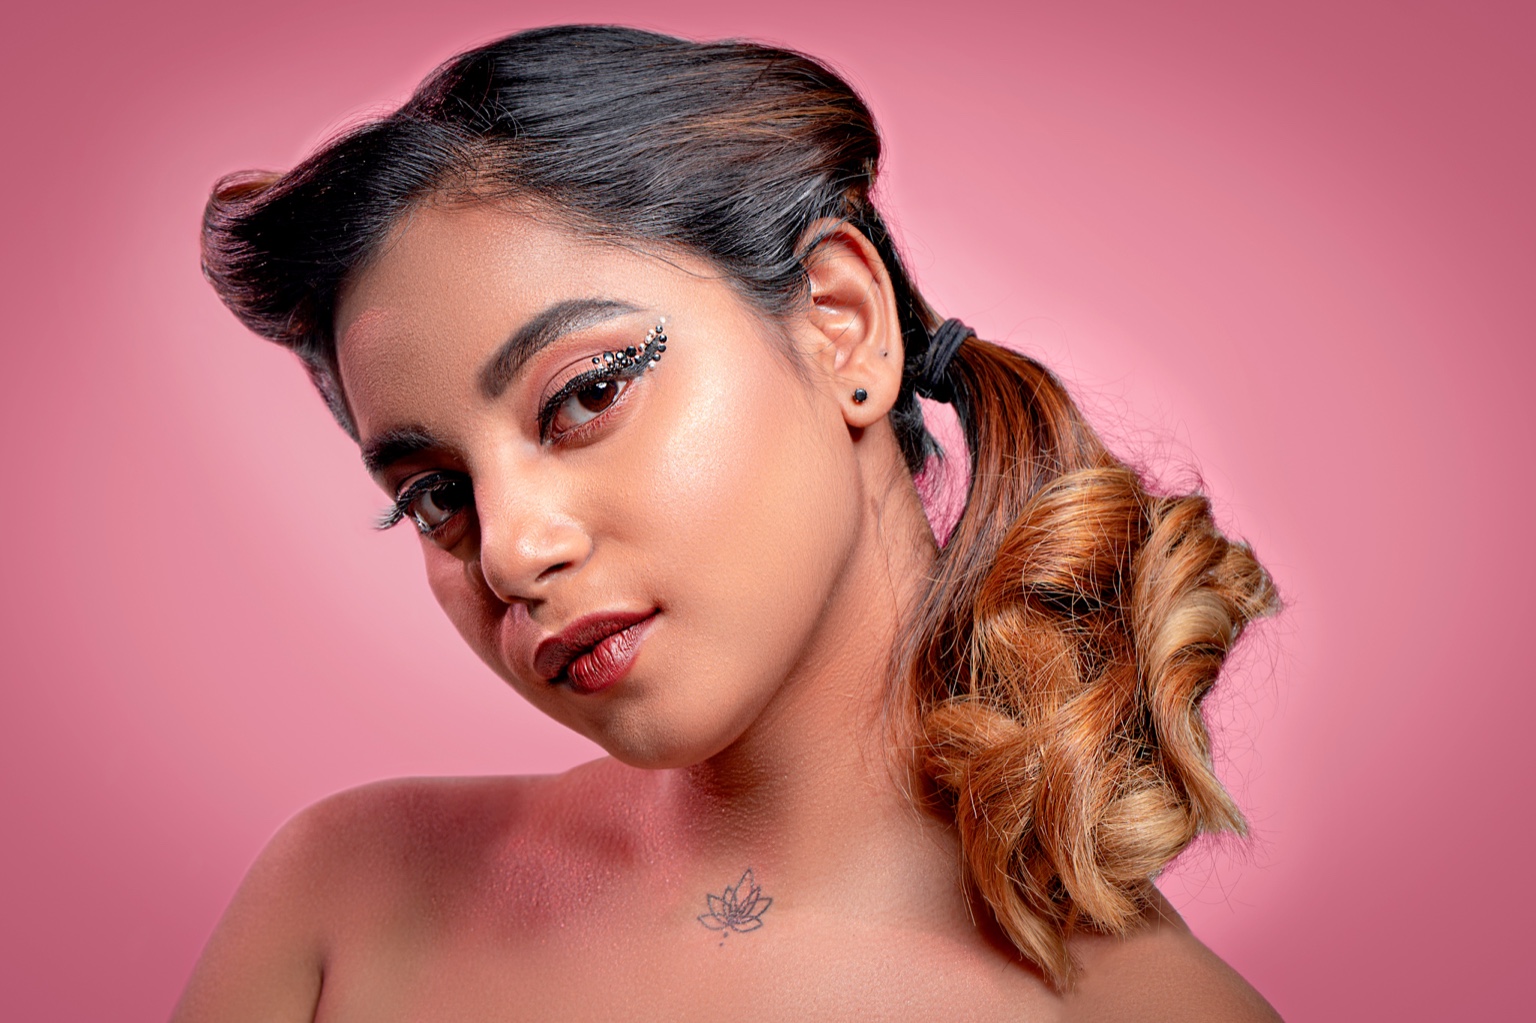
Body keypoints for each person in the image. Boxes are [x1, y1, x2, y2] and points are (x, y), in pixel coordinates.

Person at [176, 24, 1282, 1021]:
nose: (512, 551)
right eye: (438, 495)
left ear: (841, 327)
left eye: (588, 395)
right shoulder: (346, 905)